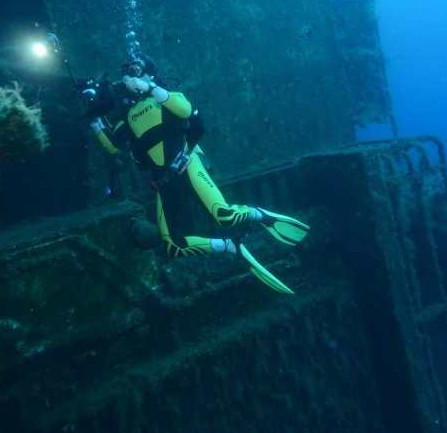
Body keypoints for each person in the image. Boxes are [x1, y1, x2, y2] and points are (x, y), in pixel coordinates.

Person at [82, 54, 309, 294]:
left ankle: (258, 214)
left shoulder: (166, 97)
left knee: (225, 216)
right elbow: (112, 144)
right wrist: (94, 116)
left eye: (136, 69)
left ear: (150, 73)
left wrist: (150, 87)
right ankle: (230, 247)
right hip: (163, 181)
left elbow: (185, 109)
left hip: (187, 164)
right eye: (127, 72)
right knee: (172, 246)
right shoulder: (127, 117)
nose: (130, 75)